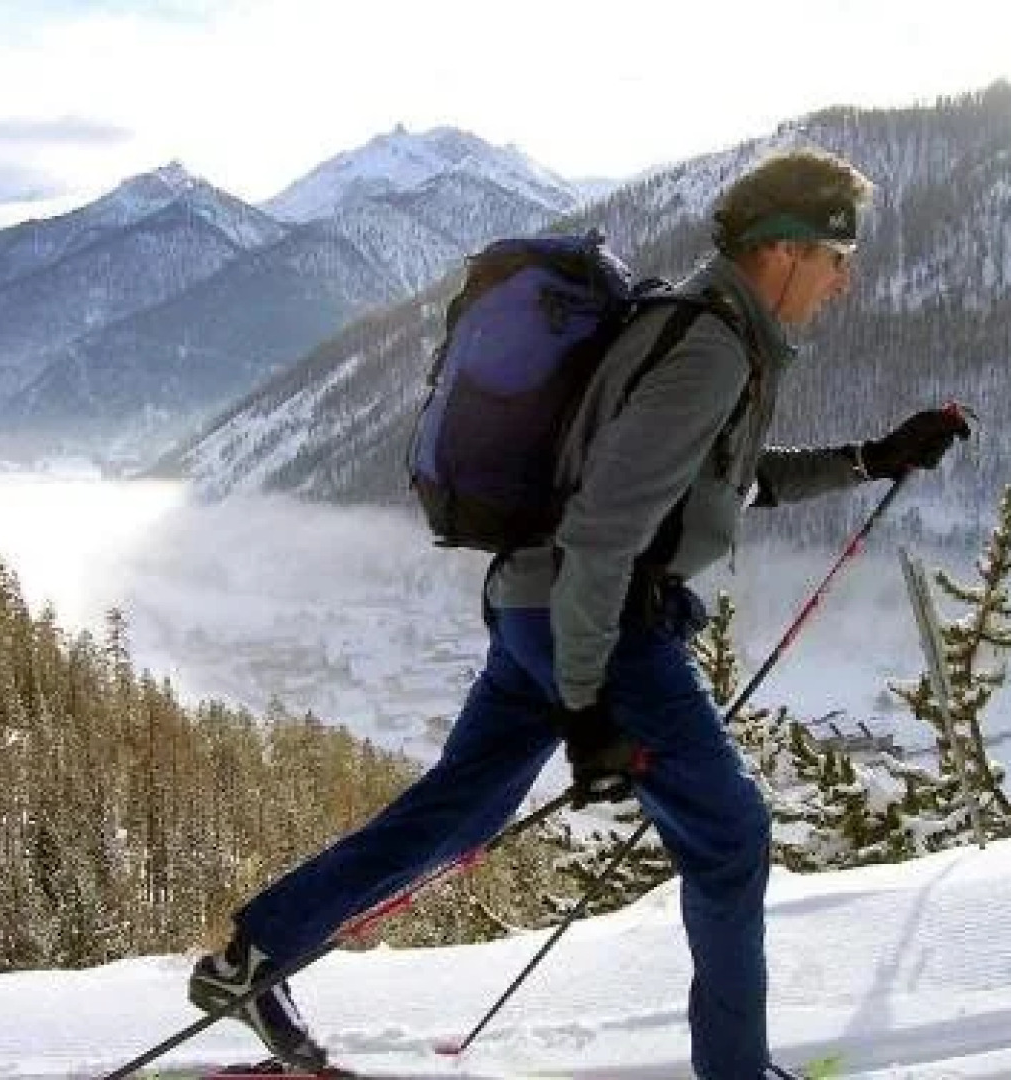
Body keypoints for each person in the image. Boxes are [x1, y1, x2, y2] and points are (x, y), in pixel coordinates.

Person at [189, 148, 969, 1080]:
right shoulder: (712, 350)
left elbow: (718, 486)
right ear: (787, 251)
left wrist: (869, 459)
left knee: (459, 814)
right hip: (600, 623)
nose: (846, 280)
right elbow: (607, 528)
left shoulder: (702, 330)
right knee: (730, 840)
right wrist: (591, 699)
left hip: (535, 606)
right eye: (838, 257)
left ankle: (255, 957)